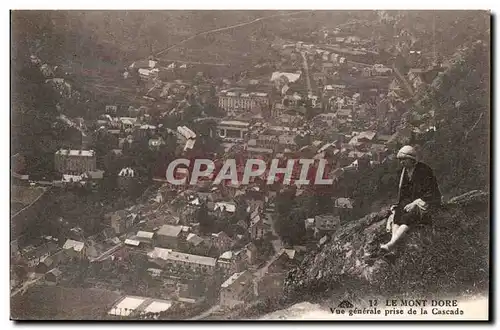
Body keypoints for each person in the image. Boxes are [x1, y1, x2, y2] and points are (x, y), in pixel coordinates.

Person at [380, 145, 442, 251]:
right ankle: (393, 243)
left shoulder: (424, 170)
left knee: (409, 216)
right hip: (412, 201)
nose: (402, 163)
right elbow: (405, 192)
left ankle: (391, 244)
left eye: (404, 160)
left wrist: (414, 203)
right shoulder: (404, 172)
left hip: (427, 201)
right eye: (400, 160)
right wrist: (400, 204)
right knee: (398, 213)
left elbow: (431, 191)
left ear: (411, 159)